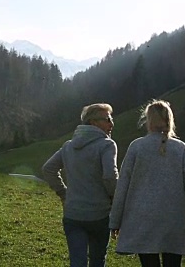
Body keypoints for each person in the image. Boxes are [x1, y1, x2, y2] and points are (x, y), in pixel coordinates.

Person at [109, 99, 185, 267]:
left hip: (142, 219)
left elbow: (123, 187)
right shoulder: (181, 149)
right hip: (174, 219)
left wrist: (115, 221)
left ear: (148, 120)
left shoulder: (137, 147)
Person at [42, 103, 119, 267]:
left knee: (77, 262)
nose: (112, 124)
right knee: (97, 260)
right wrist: (115, 199)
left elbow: (48, 169)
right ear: (93, 122)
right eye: (107, 119)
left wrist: (63, 194)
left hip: (72, 215)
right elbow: (110, 176)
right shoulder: (106, 145)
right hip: (99, 215)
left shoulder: (69, 146)